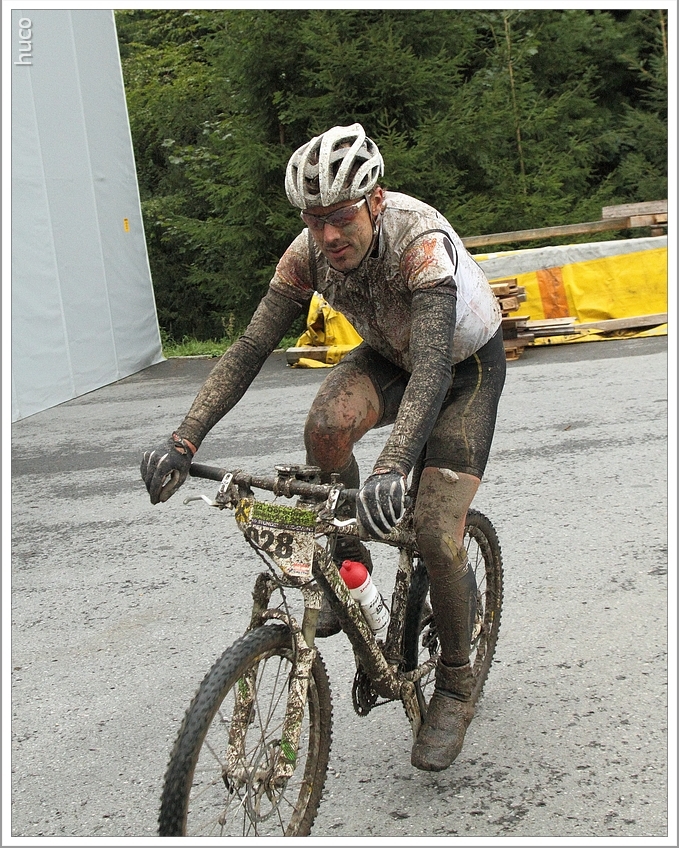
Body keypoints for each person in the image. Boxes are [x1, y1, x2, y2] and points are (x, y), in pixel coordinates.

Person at [141, 123, 505, 772]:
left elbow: (430, 370)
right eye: (315, 220)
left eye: (341, 217)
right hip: (391, 354)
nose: (329, 235)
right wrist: (184, 437)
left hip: (461, 368)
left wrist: (391, 468)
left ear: (374, 201)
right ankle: (349, 567)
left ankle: (455, 682)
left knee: (432, 528)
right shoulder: (305, 253)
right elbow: (251, 347)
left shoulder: (418, 243)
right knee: (325, 428)